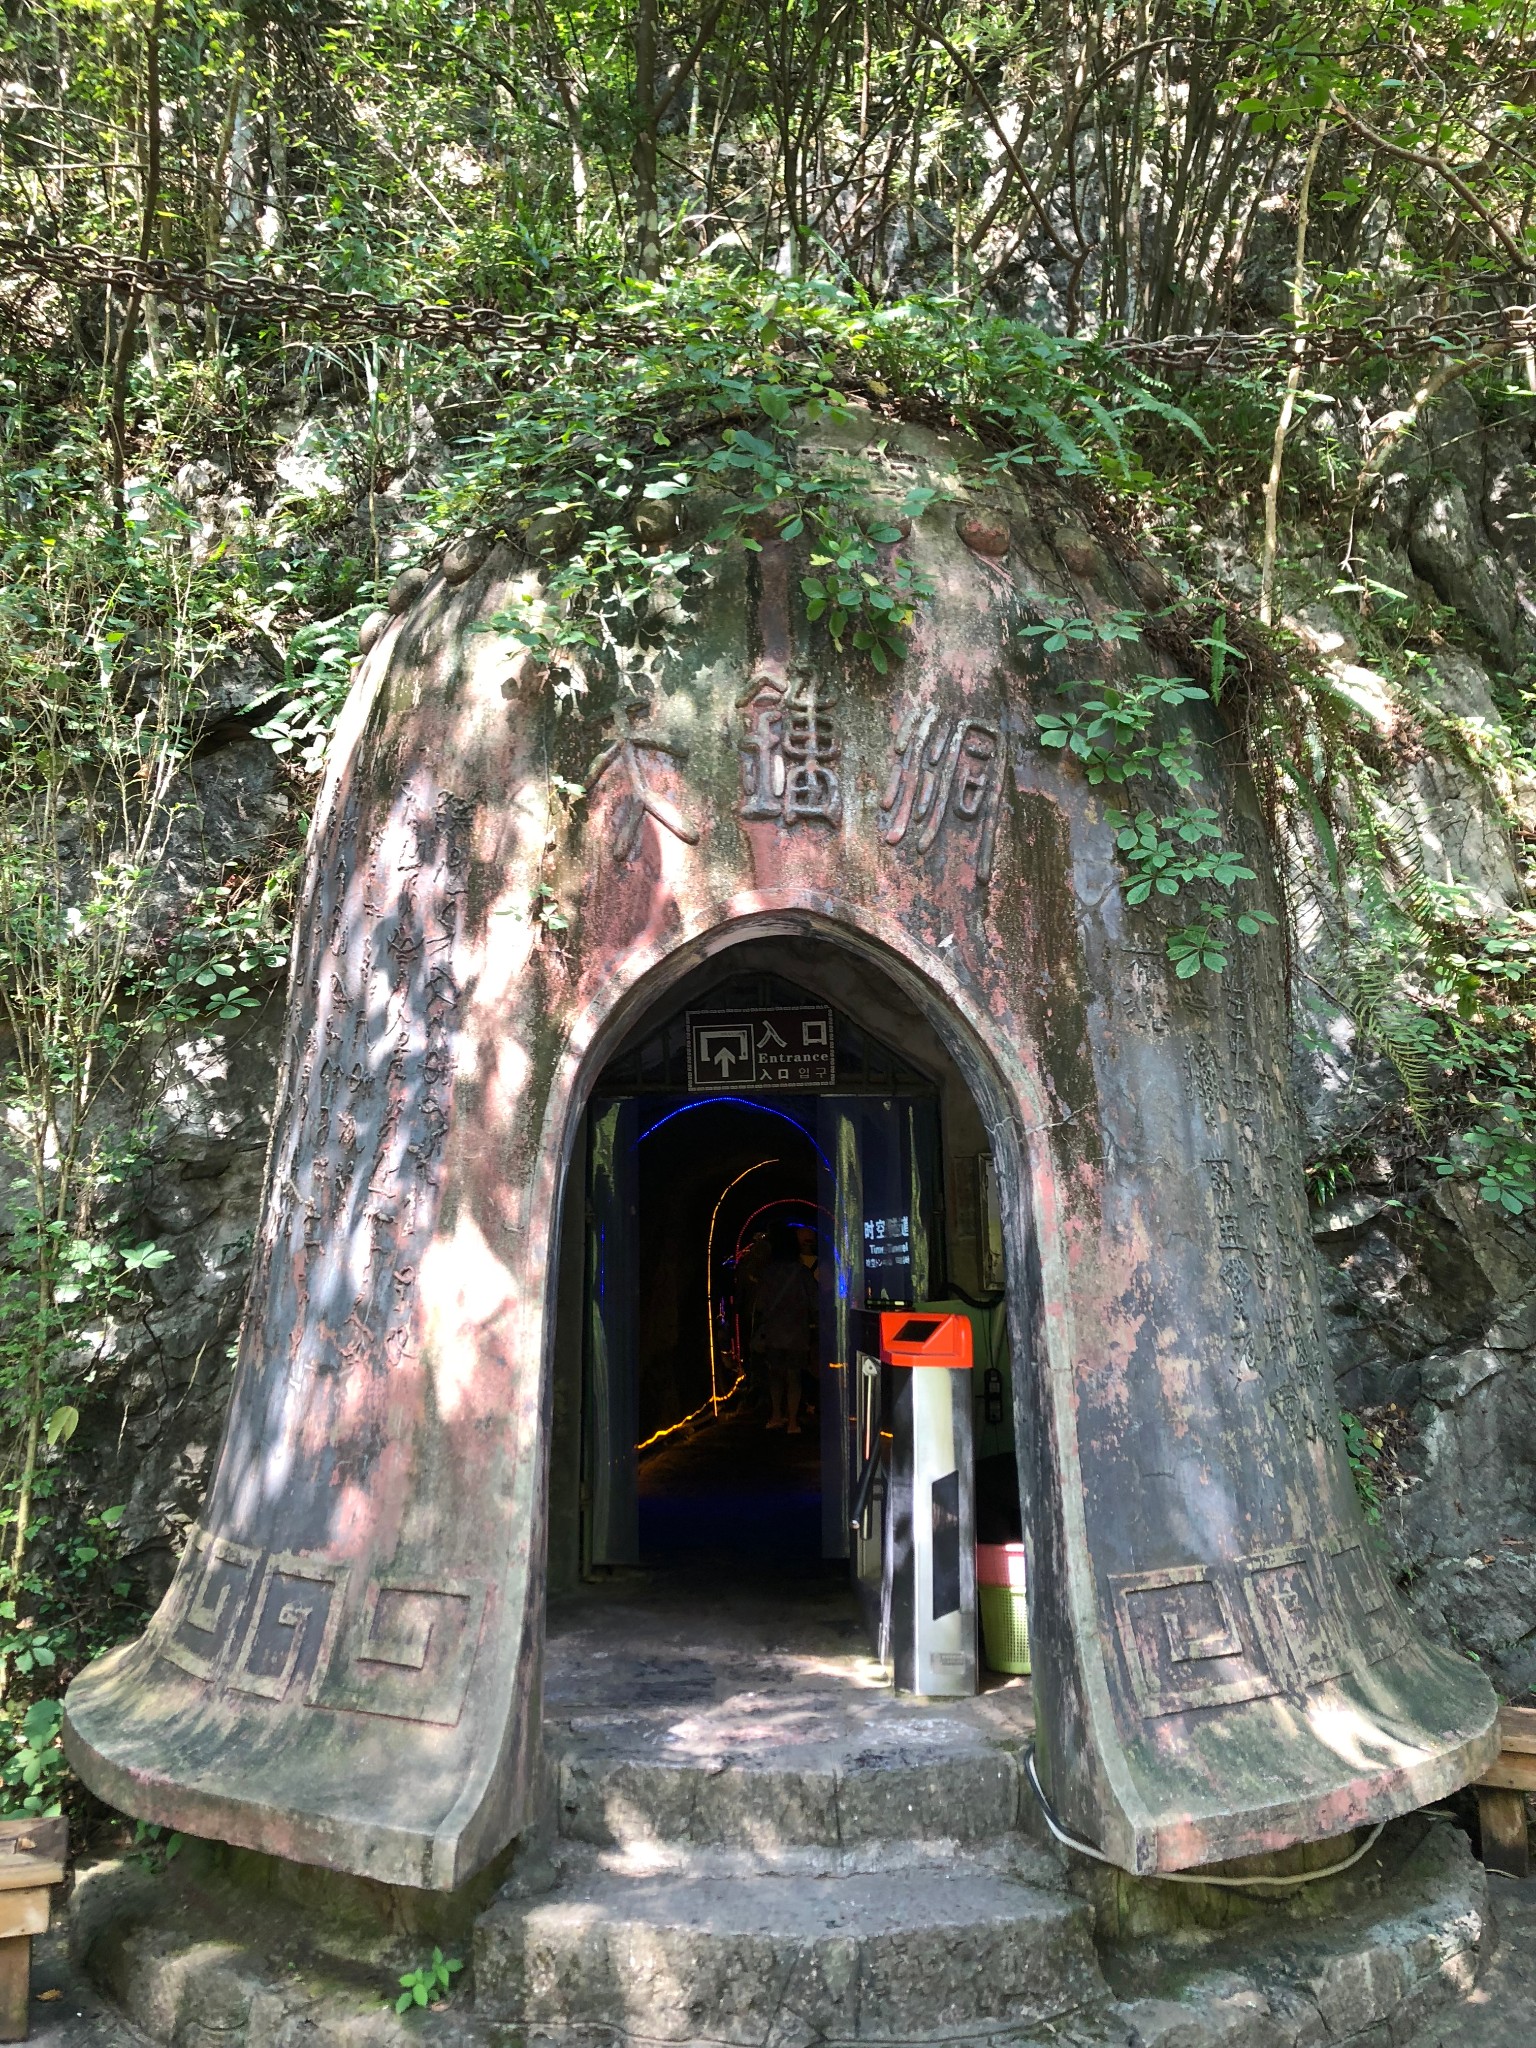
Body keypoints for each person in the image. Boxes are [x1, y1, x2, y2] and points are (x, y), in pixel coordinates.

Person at [751, 1222, 818, 1435]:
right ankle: (792, 1422)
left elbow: (760, 1304)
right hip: (797, 1333)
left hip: (773, 1333)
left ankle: (775, 1416)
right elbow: (815, 1302)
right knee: (794, 1377)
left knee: (775, 1376)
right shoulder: (802, 1273)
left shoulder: (768, 1273)